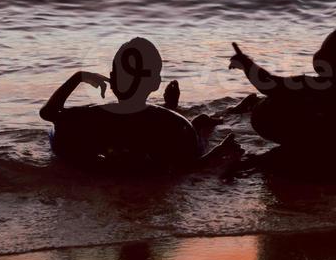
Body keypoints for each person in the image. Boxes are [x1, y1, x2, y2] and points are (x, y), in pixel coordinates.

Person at [227, 27, 336, 170]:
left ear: (321, 59)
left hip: (309, 143)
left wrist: (246, 63)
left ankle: (256, 162)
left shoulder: (307, 85)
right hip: (333, 149)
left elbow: (268, 84)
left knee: (284, 153)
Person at [41, 37, 216, 172]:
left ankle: (171, 105)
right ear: (155, 83)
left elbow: (49, 113)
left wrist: (79, 77)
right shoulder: (175, 125)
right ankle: (171, 105)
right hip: (158, 130)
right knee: (199, 122)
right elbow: (186, 164)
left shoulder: (91, 116)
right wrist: (217, 154)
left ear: (112, 80)